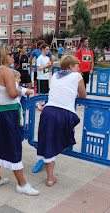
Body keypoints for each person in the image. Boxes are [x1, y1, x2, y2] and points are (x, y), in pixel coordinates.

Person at [0, 45, 39, 196]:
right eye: (10, 54)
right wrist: (25, 91)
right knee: (13, 147)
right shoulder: (6, 70)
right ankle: (22, 184)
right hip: (7, 115)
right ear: (3, 55)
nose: (13, 56)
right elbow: (13, 93)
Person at [37, 55, 87, 187]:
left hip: (48, 111)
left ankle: (49, 178)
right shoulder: (77, 76)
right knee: (61, 141)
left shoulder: (54, 75)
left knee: (49, 144)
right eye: (77, 66)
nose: (79, 68)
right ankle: (52, 167)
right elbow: (83, 95)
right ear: (71, 66)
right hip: (64, 113)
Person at [36, 44, 52, 110]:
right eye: (46, 49)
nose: (48, 51)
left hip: (46, 76)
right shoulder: (39, 58)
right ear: (43, 50)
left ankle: (43, 104)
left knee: (45, 91)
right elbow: (38, 68)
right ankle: (37, 103)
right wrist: (45, 66)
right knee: (40, 91)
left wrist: (49, 66)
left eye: (48, 49)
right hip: (40, 77)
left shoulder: (47, 58)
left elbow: (48, 67)